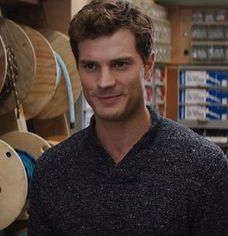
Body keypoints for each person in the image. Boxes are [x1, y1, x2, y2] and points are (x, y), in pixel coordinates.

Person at [28, 0, 228, 235]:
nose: (104, 82)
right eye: (91, 66)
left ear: (148, 65)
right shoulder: (52, 172)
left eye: (120, 64)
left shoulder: (203, 168)